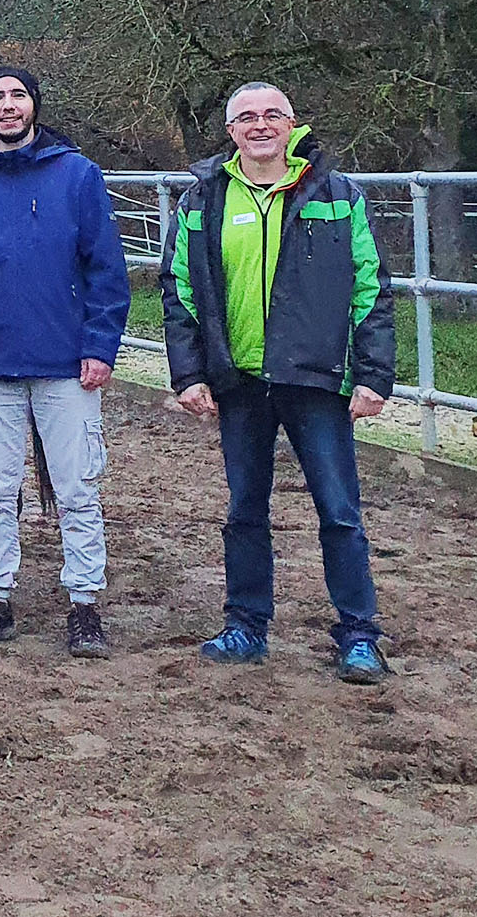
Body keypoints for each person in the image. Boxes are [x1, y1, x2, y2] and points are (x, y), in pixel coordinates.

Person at [161, 81, 396, 684]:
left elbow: (371, 288)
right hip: (239, 382)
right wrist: (189, 372)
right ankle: (245, 625)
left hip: (316, 381)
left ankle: (359, 635)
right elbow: (181, 290)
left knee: (340, 511)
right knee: (244, 510)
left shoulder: (338, 195)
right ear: (231, 129)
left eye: (273, 115)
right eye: (246, 117)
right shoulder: (202, 200)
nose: (260, 125)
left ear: (292, 125)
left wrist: (373, 374)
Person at [0, 67, 130, 659]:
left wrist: (100, 346)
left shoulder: (78, 176)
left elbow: (105, 272)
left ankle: (84, 602)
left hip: (65, 363)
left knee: (77, 486)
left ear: (34, 104)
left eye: (16, 96)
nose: (7, 107)